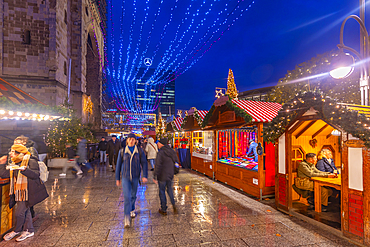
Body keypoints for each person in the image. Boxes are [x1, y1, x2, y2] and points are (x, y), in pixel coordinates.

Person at [0, 144, 48, 242]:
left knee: (19, 213)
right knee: (26, 212)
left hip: (28, 191)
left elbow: (35, 175)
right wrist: (1, 164)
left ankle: (16, 230)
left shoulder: (31, 160)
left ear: (19, 153)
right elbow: (4, 174)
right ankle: (29, 230)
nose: (10, 153)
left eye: (13, 152)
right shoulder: (14, 162)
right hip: (18, 192)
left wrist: (24, 170)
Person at [115, 133, 148, 228]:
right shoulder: (122, 151)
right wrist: (118, 178)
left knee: (133, 195)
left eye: (133, 139)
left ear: (136, 141)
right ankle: (126, 217)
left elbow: (144, 163)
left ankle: (132, 209)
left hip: (135, 177)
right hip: (125, 177)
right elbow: (118, 165)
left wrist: (144, 175)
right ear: (127, 141)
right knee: (126, 197)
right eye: (129, 139)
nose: (131, 141)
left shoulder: (139, 151)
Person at [153, 138, 179, 215]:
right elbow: (176, 162)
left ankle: (163, 209)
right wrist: (175, 171)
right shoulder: (172, 151)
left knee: (162, 191)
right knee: (169, 190)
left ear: (161, 144)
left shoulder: (160, 153)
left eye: (158, 143)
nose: (157, 144)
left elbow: (158, 165)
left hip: (162, 175)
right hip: (170, 174)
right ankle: (173, 204)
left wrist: (155, 175)